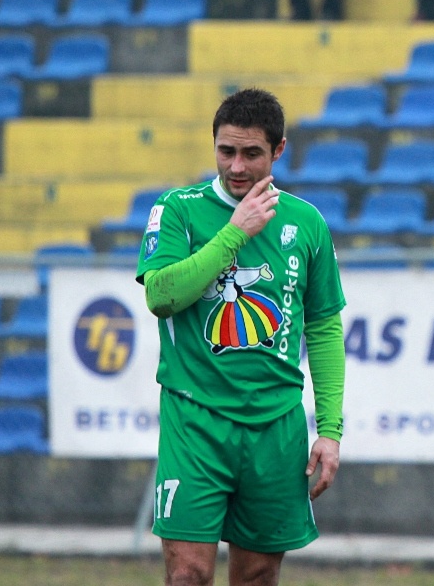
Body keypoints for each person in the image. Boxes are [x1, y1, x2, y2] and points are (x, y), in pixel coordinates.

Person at [136, 88, 347, 586]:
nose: (236, 166)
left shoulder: (307, 222)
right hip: (196, 420)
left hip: (276, 427)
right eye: (225, 151)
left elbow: (323, 328)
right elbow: (160, 296)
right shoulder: (178, 210)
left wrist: (332, 430)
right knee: (187, 574)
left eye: (251, 153)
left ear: (278, 151)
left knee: (256, 577)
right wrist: (235, 231)